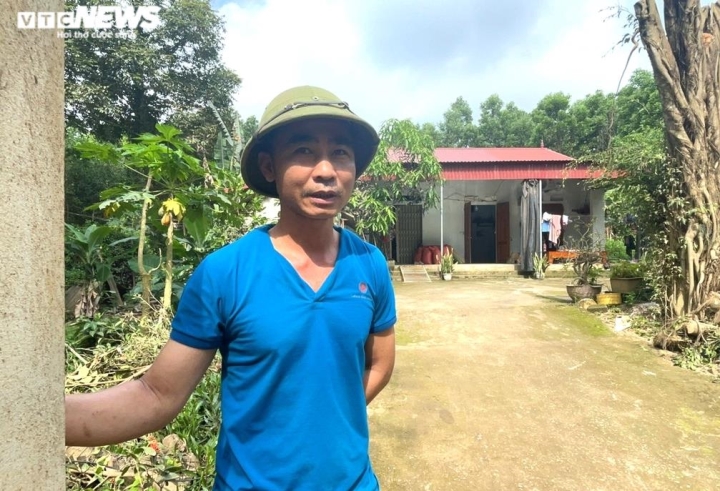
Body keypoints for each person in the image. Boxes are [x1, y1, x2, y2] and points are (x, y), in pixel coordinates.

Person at [65, 86, 397, 490]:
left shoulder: (369, 264)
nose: (326, 170)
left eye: (341, 152)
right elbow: (156, 395)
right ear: (269, 166)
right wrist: (37, 416)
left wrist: (330, 417)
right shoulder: (226, 273)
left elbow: (379, 365)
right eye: (304, 150)